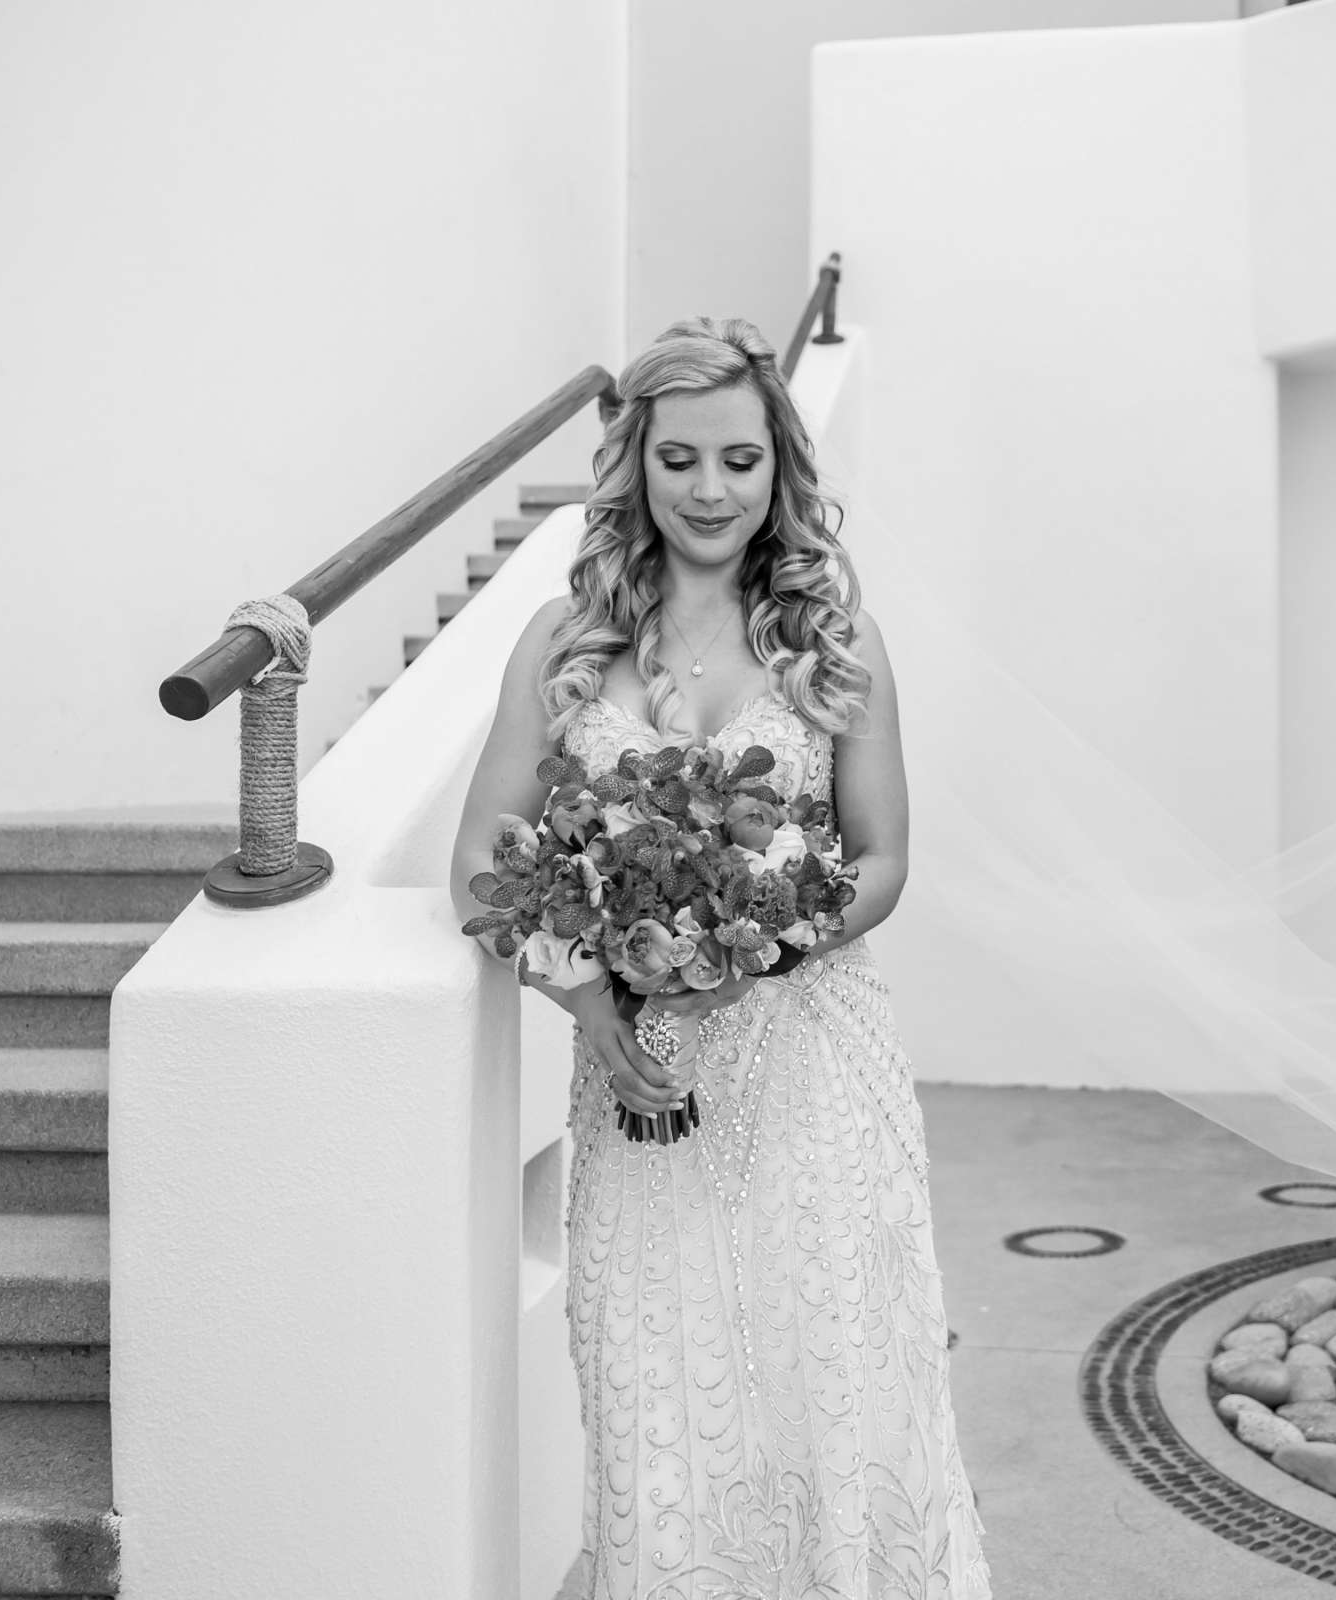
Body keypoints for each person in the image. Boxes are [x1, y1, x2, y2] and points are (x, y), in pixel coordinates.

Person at [449, 317, 991, 1597]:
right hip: (634, 1076)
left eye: (738, 460)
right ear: (634, 462)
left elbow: (882, 858)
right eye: (679, 457)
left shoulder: (833, 644)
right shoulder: (561, 644)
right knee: (657, 1382)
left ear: (777, 468)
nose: (709, 490)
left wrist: (757, 946)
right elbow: (484, 854)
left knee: (829, 1375)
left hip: (809, 1067)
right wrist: (589, 999)